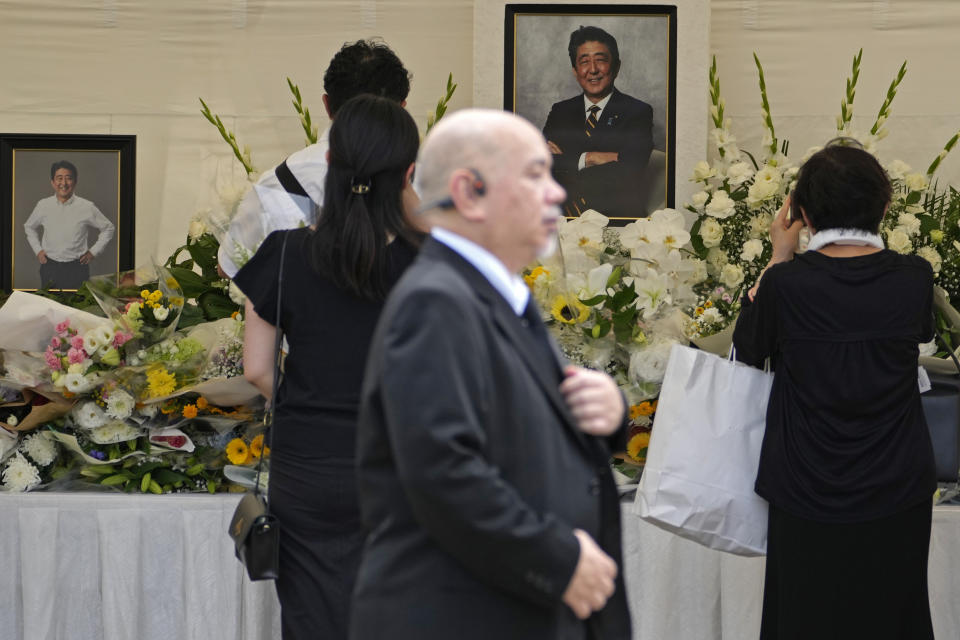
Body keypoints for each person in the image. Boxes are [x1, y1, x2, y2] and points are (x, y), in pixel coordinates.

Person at [351, 109, 632, 640]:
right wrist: (558, 560)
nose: (556, 192)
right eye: (535, 174)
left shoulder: (494, 292)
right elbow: (443, 469)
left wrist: (607, 414)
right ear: (470, 192)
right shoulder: (435, 301)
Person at [234, 94, 422, 640]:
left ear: (331, 166)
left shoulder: (286, 254)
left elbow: (256, 369)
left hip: (309, 472)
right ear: (408, 174)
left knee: (315, 620)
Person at [733, 142, 936, 640]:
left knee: (803, 619)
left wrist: (779, 257)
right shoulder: (914, 278)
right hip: (897, 485)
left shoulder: (787, 284)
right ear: (885, 207)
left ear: (800, 214)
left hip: (806, 486)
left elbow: (748, 347)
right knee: (895, 619)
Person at [218, 38, 412, 278]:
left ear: (327, 104)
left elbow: (229, 267)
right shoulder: (426, 185)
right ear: (402, 108)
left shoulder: (276, 183)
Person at [542, 26, 654, 219]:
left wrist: (565, 164)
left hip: (617, 222)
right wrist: (590, 158)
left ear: (616, 67)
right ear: (575, 71)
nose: (593, 70)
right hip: (562, 220)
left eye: (600, 60)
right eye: (584, 62)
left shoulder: (638, 111)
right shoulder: (560, 111)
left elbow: (630, 171)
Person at [23, 160, 115, 289]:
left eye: (68, 178)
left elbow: (108, 228)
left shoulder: (87, 207)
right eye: (59, 178)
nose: (64, 183)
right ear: (53, 182)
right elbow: (29, 227)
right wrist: (38, 250)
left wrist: (93, 252)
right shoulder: (43, 205)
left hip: (77, 269)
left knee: (76, 307)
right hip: (50, 267)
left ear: (75, 181)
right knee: (50, 307)